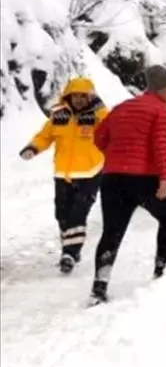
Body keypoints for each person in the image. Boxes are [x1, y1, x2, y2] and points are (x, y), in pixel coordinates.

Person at [89, 66, 166, 304]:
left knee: (112, 231)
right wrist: (164, 179)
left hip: (113, 178)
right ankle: (162, 270)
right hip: (145, 178)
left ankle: (99, 287)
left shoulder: (121, 108)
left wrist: (117, 155)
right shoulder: (162, 111)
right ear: (163, 89)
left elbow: (99, 137)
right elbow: (161, 146)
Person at [20, 77, 109, 274]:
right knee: (62, 214)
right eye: (74, 96)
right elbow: (45, 136)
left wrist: (99, 109)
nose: (78, 99)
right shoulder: (59, 115)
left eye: (82, 96)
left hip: (89, 173)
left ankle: (69, 253)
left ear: (90, 97)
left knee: (78, 213)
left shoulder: (98, 115)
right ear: (67, 96)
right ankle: (71, 248)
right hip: (63, 174)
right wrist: (33, 148)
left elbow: (112, 131)